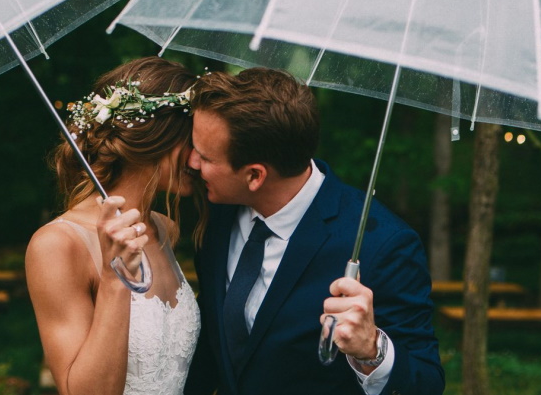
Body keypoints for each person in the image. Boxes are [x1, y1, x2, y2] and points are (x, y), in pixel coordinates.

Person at [184, 68, 444, 395]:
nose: (192, 163)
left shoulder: (384, 245)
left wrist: (372, 350)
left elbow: (427, 383)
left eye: (205, 157)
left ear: (254, 176)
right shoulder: (218, 212)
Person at [25, 57, 202, 395]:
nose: (198, 158)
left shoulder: (165, 229)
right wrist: (114, 277)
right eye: (192, 140)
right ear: (156, 139)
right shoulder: (57, 245)